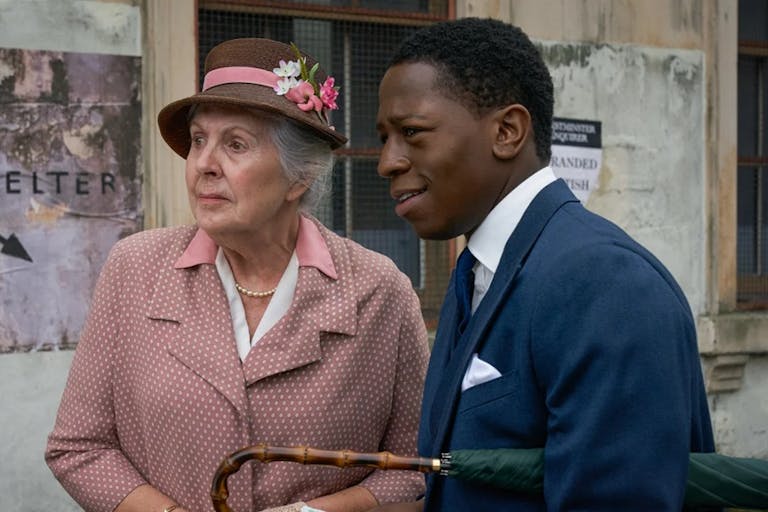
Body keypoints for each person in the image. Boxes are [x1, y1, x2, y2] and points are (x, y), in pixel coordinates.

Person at [45, 38, 429, 512]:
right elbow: (79, 447)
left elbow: (415, 468)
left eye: (236, 144)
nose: (204, 165)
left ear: (299, 176)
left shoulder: (377, 290)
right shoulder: (136, 268)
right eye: (200, 140)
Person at [373, 17, 715, 511]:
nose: (387, 160)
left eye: (412, 132)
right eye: (384, 137)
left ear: (507, 131)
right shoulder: (478, 270)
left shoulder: (606, 284)